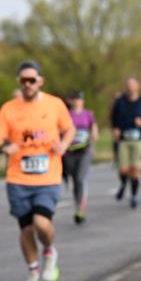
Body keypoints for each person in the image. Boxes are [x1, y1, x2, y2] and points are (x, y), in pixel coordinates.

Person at [0, 60, 73, 281]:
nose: (28, 84)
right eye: (23, 80)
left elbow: (69, 129)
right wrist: (3, 147)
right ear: (19, 82)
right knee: (26, 229)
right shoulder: (9, 108)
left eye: (32, 80)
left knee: (41, 223)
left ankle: (49, 250)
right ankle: (33, 272)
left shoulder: (54, 104)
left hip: (48, 176)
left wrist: (64, 145)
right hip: (18, 178)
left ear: (40, 81)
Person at [111, 78, 141, 209]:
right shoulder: (120, 101)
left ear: (138, 86)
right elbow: (113, 117)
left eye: (133, 85)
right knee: (123, 169)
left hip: (138, 139)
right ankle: (123, 184)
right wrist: (115, 128)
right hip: (123, 138)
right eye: (128, 85)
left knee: (135, 170)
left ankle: (134, 195)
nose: (130, 88)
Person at [62, 91, 97, 224]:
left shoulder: (88, 114)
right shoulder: (66, 115)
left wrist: (94, 134)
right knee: (74, 180)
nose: (78, 101)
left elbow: (93, 128)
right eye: (75, 99)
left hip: (84, 151)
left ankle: (80, 209)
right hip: (70, 152)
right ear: (71, 101)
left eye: (80, 99)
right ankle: (78, 205)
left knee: (81, 179)